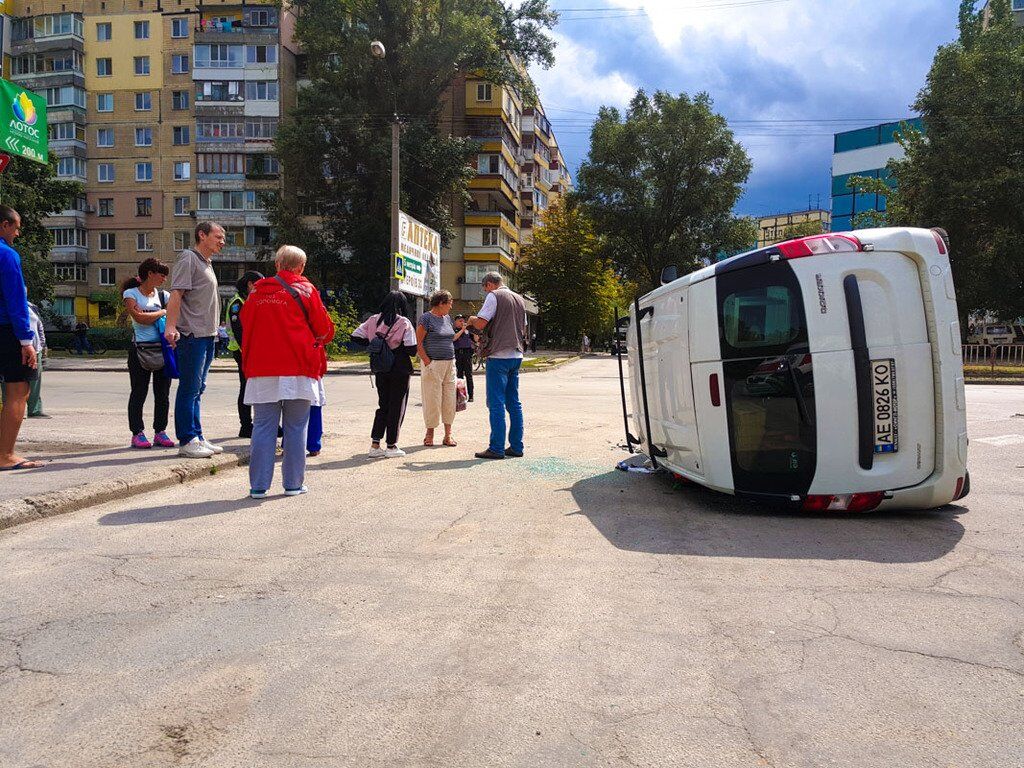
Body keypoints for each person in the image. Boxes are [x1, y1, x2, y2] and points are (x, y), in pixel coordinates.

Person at [240, 246, 334, 498]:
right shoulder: (307, 290)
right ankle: (293, 484)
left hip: (262, 368)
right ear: (301, 267)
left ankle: (258, 486)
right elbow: (325, 329)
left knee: (262, 426)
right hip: (299, 367)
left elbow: (246, 322)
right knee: (296, 427)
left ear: (277, 265)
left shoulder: (257, 291)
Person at [164, 221, 226, 458]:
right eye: (218, 237)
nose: (222, 242)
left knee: (198, 388)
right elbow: (177, 293)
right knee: (189, 388)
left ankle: (197, 436)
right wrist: (171, 326)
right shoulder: (188, 258)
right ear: (202, 235)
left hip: (207, 335)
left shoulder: (207, 263)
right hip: (191, 334)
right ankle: (187, 439)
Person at [468, 271, 527, 460]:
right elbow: (523, 326)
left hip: (499, 355)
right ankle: (516, 446)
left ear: (490, 285)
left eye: (485, 289)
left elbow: (481, 323)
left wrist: (471, 321)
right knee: (514, 403)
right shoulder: (519, 299)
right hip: (516, 354)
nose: (486, 293)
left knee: (496, 403)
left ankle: (496, 448)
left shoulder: (494, 296)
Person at [0, 206, 42, 471]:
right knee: (18, 392)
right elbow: (16, 302)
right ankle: (5, 455)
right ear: (4, 225)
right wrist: (26, 341)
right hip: (6, 330)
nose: (17, 233)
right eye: (16, 227)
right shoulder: (7, 255)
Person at [351, 291, 417, 458]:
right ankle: (392, 446)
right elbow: (411, 349)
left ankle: (375, 444)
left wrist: (376, 343)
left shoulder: (373, 319)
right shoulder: (403, 322)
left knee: (383, 405)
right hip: (400, 368)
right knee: (397, 405)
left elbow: (355, 336)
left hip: (380, 367)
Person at [122, 259, 175, 449]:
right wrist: (162, 312)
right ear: (150, 273)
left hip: (162, 350)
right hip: (140, 351)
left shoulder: (164, 295)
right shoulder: (131, 293)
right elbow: (139, 318)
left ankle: (160, 431)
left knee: (163, 395)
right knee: (139, 392)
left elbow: (174, 315)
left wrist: (156, 313)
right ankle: (137, 433)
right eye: (161, 274)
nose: (164, 278)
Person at [224, 271, 264, 438]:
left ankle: (264, 423)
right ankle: (246, 426)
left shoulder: (249, 300)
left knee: (261, 387)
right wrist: (248, 352)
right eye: (258, 284)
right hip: (242, 352)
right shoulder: (237, 303)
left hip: (254, 351)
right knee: (246, 387)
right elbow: (239, 332)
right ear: (249, 284)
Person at [417, 290, 458, 447]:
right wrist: (428, 362)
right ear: (441, 303)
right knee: (432, 399)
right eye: (449, 303)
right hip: (433, 363)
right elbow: (419, 342)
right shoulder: (426, 318)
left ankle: (448, 435)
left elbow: (450, 337)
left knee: (449, 399)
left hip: (449, 363)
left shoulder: (447, 318)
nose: (451, 306)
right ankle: (430, 433)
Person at [26, 297, 48, 418]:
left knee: (35, 380)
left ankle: (35, 410)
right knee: (12, 382)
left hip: (35, 350)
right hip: (16, 349)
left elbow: (40, 327)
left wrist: (42, 345)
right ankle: (12, 410)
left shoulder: (32, 307)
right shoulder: (9, 305)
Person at [453, 314, 475, 403]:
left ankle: (471, 395)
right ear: (455, 322)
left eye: (463, 320)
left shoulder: (468, 331)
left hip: (467, 354)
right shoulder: (454, 330)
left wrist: (474, 331)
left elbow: (476, 339)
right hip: (458, 354)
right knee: (459, 376)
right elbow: (454, 338)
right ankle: (461, 396)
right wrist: (462, 330)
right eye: (460, 321)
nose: (462, 322)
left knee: (469, 375)